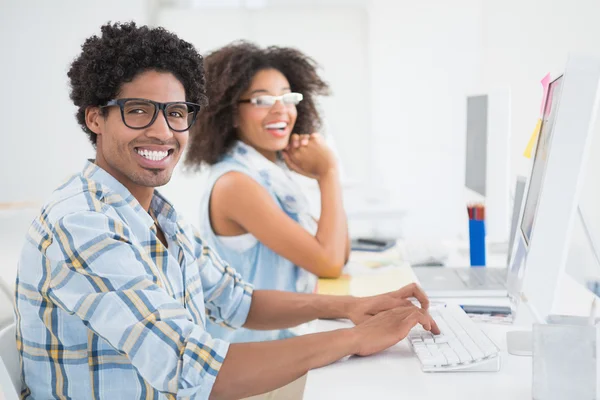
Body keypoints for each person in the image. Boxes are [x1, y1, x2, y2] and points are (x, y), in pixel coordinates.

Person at [14, 22, 438, 400]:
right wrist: (355, 339)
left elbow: (239, 301)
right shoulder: (84, 224)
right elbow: (189, 368)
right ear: (95, 118)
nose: (162, 131)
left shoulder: (158, 215)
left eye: (176, 113)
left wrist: (350, 309)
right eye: (138, 110)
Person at [185, 42, 350, 342]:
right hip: (252, 360)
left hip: (279, 343)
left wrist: (318, 176)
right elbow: (329, 262)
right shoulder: (236, 184)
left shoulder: (272, 174)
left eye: (288, 97)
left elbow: (340, 251)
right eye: (262, 101)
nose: (281, 110)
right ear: (232, 113)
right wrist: (329, 174)